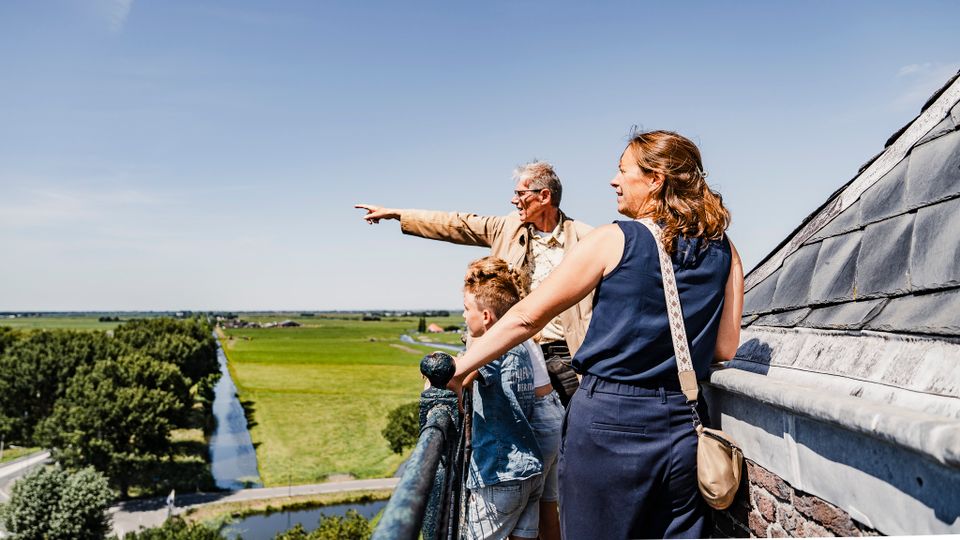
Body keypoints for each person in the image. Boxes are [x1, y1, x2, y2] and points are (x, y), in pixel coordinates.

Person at [450, 130, 745, 539]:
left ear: (655, 179)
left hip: (609, 422)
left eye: (623, 171)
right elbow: (726, 346)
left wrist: (460, 366)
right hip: (684, 421)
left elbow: (526, 318)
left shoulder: (614, 238)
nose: (614, 180)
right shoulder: (725, 248)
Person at [355, 160, 591, 406]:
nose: (514, 200)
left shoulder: (586, 238)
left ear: (544, 196)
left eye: (520, 194)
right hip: (510, 352)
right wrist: (399, 215)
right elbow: (458, 223)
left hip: (566, 357)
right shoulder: (508, 227)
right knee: (509, 428)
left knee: (567, 430)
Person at [459, 256, 543, 540]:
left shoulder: (488, 349)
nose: (463, 316)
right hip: (530, 468)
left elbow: (455, 377)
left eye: (466, 308)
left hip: (498, 474)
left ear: (485, 316)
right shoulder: (520, 345)